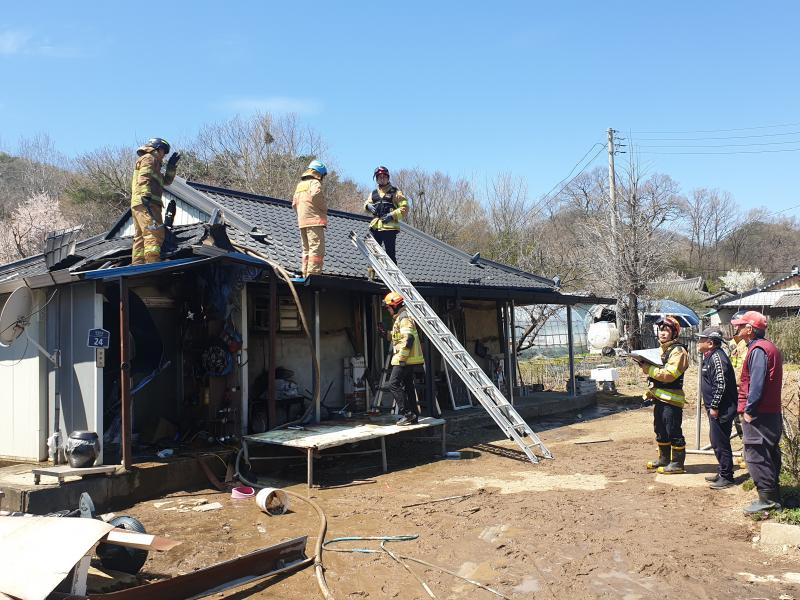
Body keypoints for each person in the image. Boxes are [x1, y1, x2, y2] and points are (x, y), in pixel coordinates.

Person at [733, 311, 784, 513]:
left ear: (750, 329)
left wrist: (749, 409)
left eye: (740, 325)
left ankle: (768, 500)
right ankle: (772, 495)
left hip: (759, 413)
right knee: (768, 452)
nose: (737, 329)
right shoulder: (766, 347)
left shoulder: (758, 350)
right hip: (770, 411)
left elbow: (757, 384)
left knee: (756, 453)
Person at [638, 316, 690, 474]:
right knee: (660, 429)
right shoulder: (662, 350)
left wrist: (648, 369)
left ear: (674, 333)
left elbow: (669, 375)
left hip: (672, 400)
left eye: (667, 330)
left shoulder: (678, 351)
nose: (663, 333)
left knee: (673, 430)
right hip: (659, 398)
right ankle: (664, 459)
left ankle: (677, 464)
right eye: (661, 330)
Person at [696, 327, 738, 489]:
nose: (698, 343)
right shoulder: (710, 356)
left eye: (701, 340)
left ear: (710, 343)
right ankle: (722, 471)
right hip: (716, 408)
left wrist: (714, 406)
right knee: (716, 440)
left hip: (722, 409)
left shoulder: (717, 358)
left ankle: (727, 477)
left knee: (720, 442)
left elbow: (721, 385)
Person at [130, 138, 180, 265]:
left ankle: (138, 263)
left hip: (140, 203)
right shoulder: (149, 158)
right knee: (154, 232)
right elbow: (144, 176)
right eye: (164, 152)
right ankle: (153, 262)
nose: (164, 155)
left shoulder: (155, 165)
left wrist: (171, 167)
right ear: (158, 148)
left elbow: (166, 181)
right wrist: (145, 194)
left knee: (140, 236)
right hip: (148, 203)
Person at [381, 292, 425, 426]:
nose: (388, 310)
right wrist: (386, 334)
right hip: (409, 360)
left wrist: (401, 358)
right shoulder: (401, 317)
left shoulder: (404, 318)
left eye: (388, 307)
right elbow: (400, 336)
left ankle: (407, 413)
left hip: (404, 360)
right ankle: (414, 416)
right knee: (409, 387)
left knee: (393, 384)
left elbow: (408, 338)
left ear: (394, 306)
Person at [364, 166, 410, 264]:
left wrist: (392, 215)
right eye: (379, 177)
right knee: (372, 252)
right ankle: (372, 275)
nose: (382, 179)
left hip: (389, 228)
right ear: (376, 179)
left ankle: (393, 277)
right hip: (375, 226)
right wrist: (368, 206)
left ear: (388, 178)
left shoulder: (395, 192)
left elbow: (405, 207)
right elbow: (366, 203)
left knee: (390, 254)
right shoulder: (373, 193)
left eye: (384, 177)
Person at [292, 160, 328, 279]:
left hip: (302, 222)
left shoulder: (300, 185)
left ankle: (305, 272)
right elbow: (317, 195)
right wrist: (324, 208)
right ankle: (313, 274)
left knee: (306, 249)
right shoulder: (314, 183)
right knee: (316, 249)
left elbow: (294, 204)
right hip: (314, 221)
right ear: (319, 174)